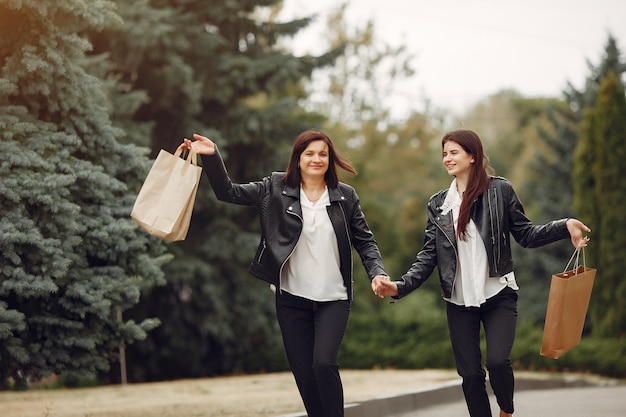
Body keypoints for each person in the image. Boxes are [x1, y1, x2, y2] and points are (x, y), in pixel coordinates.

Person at [371, 129, 590, 417]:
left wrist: (565, 225)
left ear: (472, 156)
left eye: (454, 152)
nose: (447, 158)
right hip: (459, 302)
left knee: (498, 362)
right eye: (445, 153)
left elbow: (526, 234)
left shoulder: (500, 191)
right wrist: (400, 286)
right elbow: (429, 256)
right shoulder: (438, 205)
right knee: (471, 375)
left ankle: (506, 410)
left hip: (498, 294)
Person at [181, 130, 388, 417]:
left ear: (330, 159)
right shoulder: (275, 187)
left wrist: (377, 273)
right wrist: (213, 155)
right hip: (292, 299)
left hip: (334, 298)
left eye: (323, 154)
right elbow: (228, 191)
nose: (317, 159)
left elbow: (365, 241)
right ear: (298, 158)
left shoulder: (345, 197)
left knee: (323, 364)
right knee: (304, 375)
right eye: (310, 153)